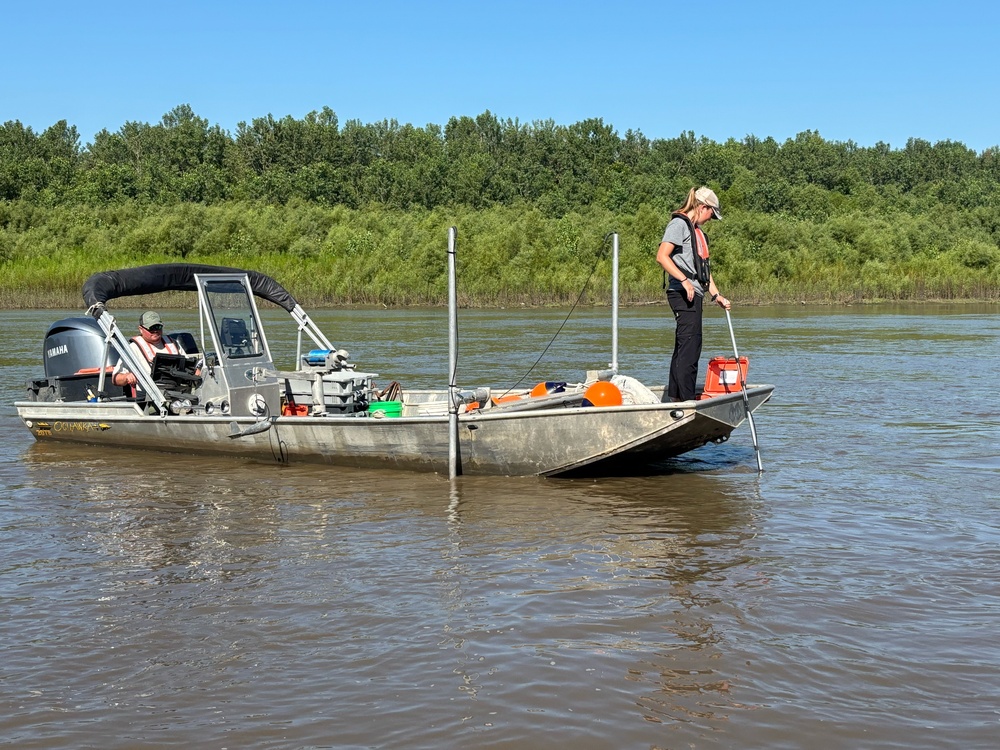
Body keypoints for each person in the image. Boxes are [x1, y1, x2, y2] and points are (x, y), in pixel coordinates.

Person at [656, 186, 732, 402]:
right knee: (689, 347)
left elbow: (704, 273)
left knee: (688, 345)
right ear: (702, 207)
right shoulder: (678, 225)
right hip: (682, 293)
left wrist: (717, 296)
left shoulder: (698, 233)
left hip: (694, 293)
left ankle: (677, 397)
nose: (710, 219)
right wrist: (683, 281)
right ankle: (685, 400)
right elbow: (662, 256)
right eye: (711, 214)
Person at [112, 311, 187, 390]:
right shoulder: (133, 348)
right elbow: (116, 379)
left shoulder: (172, 343)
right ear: (141, 329)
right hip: (148, 396)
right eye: (151, 328)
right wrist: (127, 377)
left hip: (177, 392)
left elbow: (189, 367)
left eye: (158, 327)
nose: (155, 331)